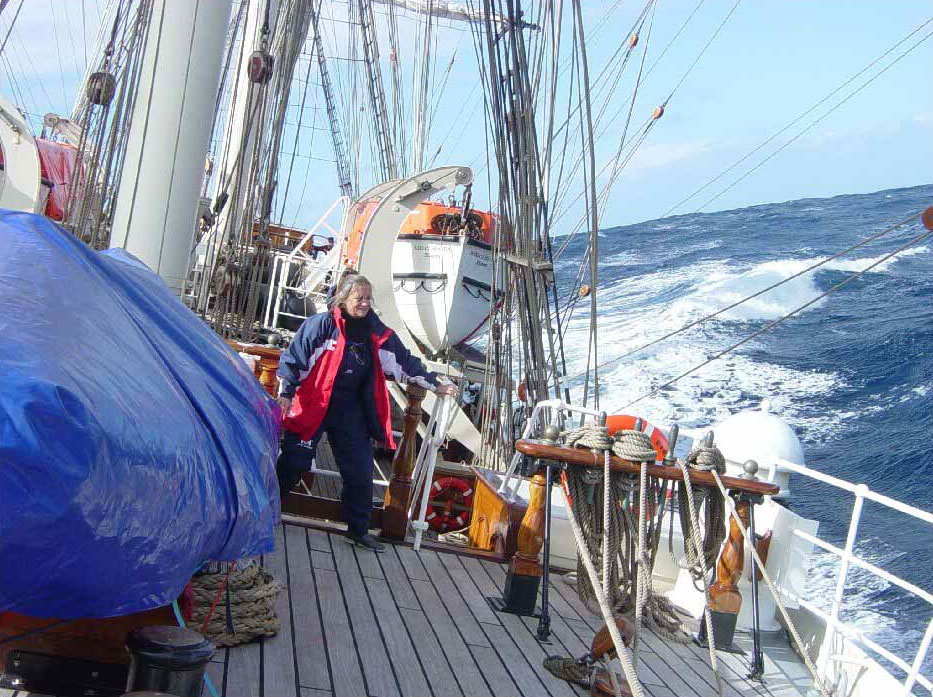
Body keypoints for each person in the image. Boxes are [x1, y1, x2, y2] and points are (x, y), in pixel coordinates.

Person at [275, 273, 456, 552]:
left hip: (351, 409)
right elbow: (294, 359)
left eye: (368, 298)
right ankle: (265, 510)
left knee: (360, 469)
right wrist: (286, 393)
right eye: (359, 298)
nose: (364, 303)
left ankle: (358, 530)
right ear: (343, 298)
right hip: (315, 403)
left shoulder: (376, 331)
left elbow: (404, 362)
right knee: (294, 462)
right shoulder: (321, 326)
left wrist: (434, 384)